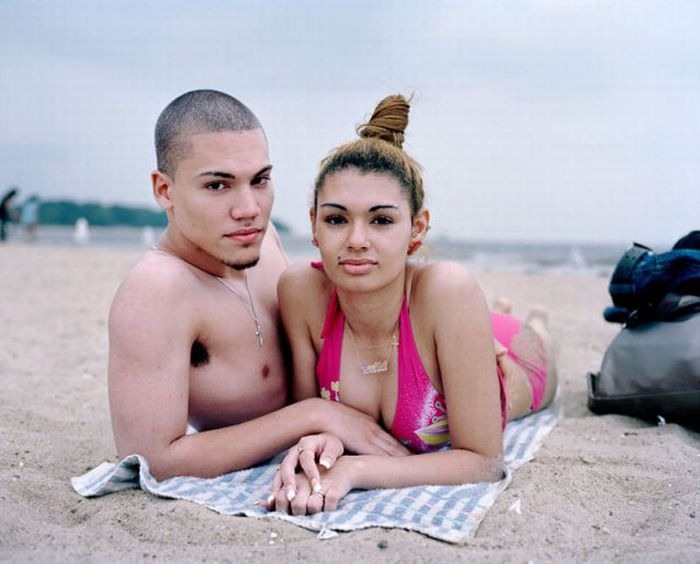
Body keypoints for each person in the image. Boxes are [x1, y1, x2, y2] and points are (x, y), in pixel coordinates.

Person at [266, 94, 558, 515]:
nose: (357, 240)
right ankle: (498, 316)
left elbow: (484, 461)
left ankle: (530, 319)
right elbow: (313, 415)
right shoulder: (301, 292)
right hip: (451, 332)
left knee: (538, 335)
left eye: (381, 220)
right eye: (336, 219)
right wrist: (323, 442)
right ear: (313, 224)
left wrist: (354, 470)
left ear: (416, 230)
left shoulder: (448, 288)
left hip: (517, 360)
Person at [108, 90, 408, 481]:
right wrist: (313, 415)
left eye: (260, 180)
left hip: (401, 379)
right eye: (218, 185)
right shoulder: (158, 289)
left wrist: (429, 321)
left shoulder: (262, 244)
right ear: (165, 190)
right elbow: (151, 460)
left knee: (511, 361)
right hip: (340, 416)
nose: (249, 208)